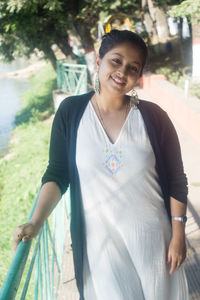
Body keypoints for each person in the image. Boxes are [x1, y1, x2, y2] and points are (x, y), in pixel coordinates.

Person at [13, 29, 189, 300]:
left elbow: (177, 178)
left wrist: (178, 235)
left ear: (139, 74)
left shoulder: (154, 118)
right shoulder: (71, 113)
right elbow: (58, 174)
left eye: (133, 67)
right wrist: (35, 222)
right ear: (99, 61)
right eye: (115, 61)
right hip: (101, 249)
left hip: (155, 244)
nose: (122, 72)